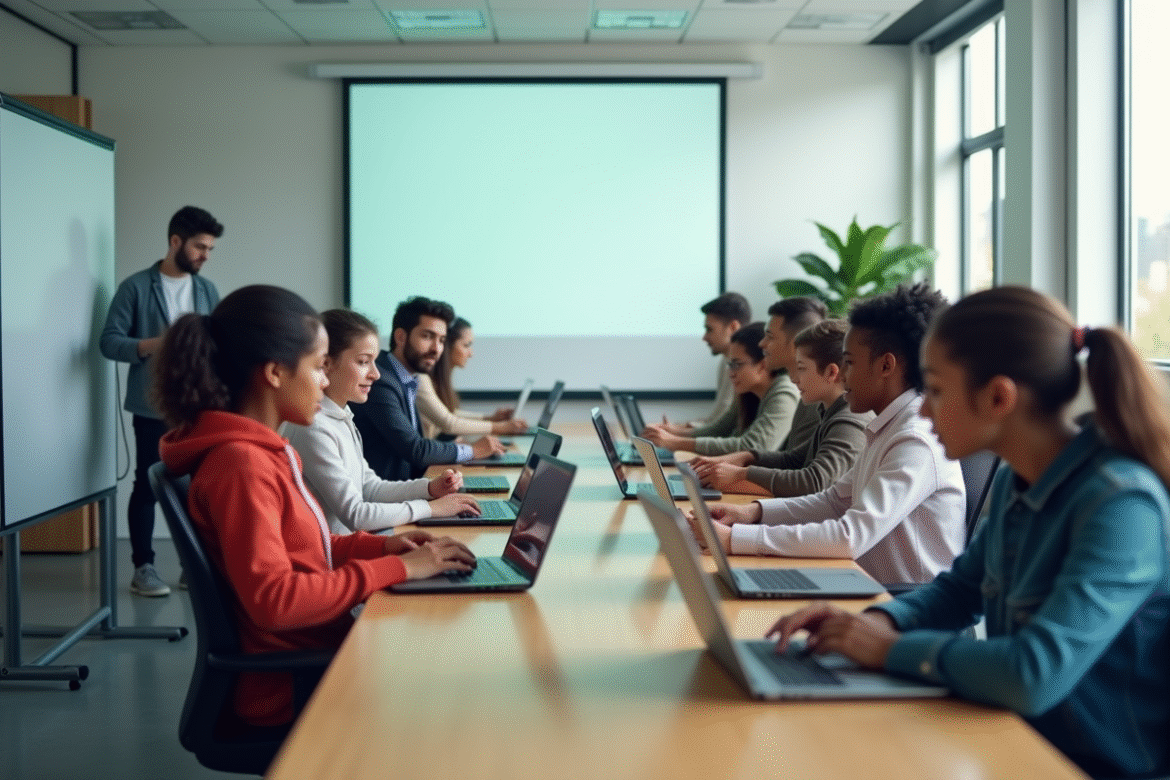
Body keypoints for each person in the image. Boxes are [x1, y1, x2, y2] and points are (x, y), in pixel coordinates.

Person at [768, 286, 1170, 780]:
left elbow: (1031, 673)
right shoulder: (1016, 480)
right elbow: (959, 591)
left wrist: (886, 649)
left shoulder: (1121, 504)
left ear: (999, 396)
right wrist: (871, 623)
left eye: (936, 390)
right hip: (1010, 739)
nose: (923, 411)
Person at [154, 285, 476, 729]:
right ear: (275, 373)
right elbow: (275, 600)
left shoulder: (264, 451)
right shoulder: (241, 465)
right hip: (293, 682)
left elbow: (309, 550)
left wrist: (383, 549)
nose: (324, 382)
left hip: (320, 650)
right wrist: (397, 569)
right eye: (318, 367)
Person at [695, 284, 965, 586]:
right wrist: (749, 513)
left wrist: (736, 539)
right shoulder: (888, 426)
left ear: (885, 365)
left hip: (902, 601)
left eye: (849, 362)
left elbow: (849, 536)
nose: (842, 375)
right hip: (863, 584)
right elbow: (833, 501)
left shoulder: (915, 439)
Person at [99, 205, 223, 597]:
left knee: (198, 487)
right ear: (175, 241)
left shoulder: (206, 291)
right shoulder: (135, 287)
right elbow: (109, 342)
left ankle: (192, 566)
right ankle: (144, 568)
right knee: (147, 486)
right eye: (200, 247)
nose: (205, 255)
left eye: (210, 248)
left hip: (199, 407)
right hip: (152, 405)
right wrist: (157, 343)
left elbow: (218, 343)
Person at [283, 309, 481, 534]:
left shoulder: (342, 414)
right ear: (326, 364)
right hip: (339, 551)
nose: (376, 374)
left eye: (374, 362)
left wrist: (429, 488)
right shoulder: (314, 427)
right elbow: (356, 514)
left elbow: (370, 488)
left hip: (357, 542)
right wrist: (430, 508)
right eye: (363, 362)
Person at [691, 319, 871, 497]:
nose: (794, 378)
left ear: (831, 373)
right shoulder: (831, 411)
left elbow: (815, 482)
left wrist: (741, 475)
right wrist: (747, 457)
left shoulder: (849, 420)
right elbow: (794, 460)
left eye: (801, 368)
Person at [350, 296, 505, 482]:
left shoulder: (406, 378)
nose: (436, 349)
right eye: (427, 336)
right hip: (387, 493)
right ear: (401, 337)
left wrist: (449, 446)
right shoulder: (381, 380)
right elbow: (416, 450)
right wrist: (473, 450)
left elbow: (412, 445)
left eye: (441, 340)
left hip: (407, 487)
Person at [686, 296, 829, 477]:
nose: (762, 344)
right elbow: (792, 462)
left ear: (795, 343)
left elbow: (809, 479)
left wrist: (738, 475)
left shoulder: (797, 395)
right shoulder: (804, 395)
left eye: (770, 336)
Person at [643, 322, 798, 456]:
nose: (731, 373)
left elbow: (752, 447)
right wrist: (671, 433)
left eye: (736, 364)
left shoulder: (784, 394)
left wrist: (674, 442)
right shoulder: (748, 392)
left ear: (762, 365)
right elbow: (719, 430)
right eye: (730, 365)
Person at [657, 292, 751, 434]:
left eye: (709, 329)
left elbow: (721, 427)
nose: (704, 337)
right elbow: (716, 421)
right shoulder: (726, 362)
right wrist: (676, 428)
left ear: (733, 327)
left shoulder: (743, 366)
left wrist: (674, 433)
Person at [421, 316, 529, 439]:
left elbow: (448, 414)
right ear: (447, 346)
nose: (471, 353)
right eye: (466, 345)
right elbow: (449, 422)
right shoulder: (423, 379)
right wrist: (501, 427)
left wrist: (490, 418)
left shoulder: (437, 380)